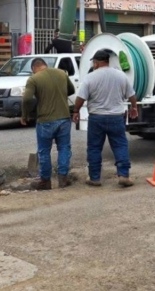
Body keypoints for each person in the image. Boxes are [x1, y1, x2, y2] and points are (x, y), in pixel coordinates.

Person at [72, 49, 139, 187]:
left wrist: (76, 111)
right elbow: (131, 95)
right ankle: (124, 175)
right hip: (116, 117)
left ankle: (95, 178)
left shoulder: (90, 77)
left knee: (94, 148)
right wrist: (134, 107)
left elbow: (81, 97)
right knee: (120, 145)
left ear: (96, 63)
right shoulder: (121, 75)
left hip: (97, 118)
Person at [22, 58, 75, 190]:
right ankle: (63, 178)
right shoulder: (62, 73)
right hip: (64, 118)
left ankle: (45, 181)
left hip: (45, 120)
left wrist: (25, 115)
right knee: (64, 148)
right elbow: (71, 90)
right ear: (45, 65)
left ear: (34, 68)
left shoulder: (34, 79)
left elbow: (27, 98)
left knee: (44, 151)